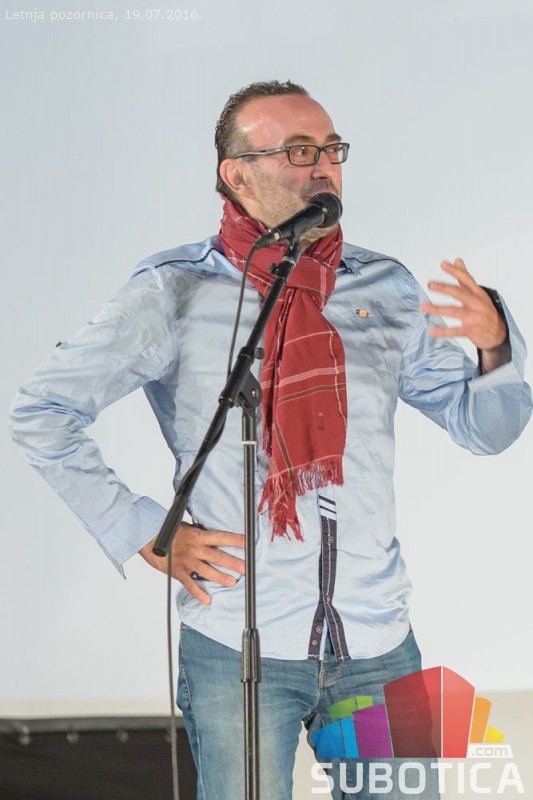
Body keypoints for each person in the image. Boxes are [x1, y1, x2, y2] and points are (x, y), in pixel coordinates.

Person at [10, 80, 532, 800]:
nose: (325, 166)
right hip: (240, 648)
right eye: (299, 150)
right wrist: (143, 532)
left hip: (378, 642)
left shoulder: (384, 287)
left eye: (332, 149)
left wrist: (496, 349)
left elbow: (486, 430)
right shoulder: (176, 291)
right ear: (236, 174)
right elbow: (43, 410)